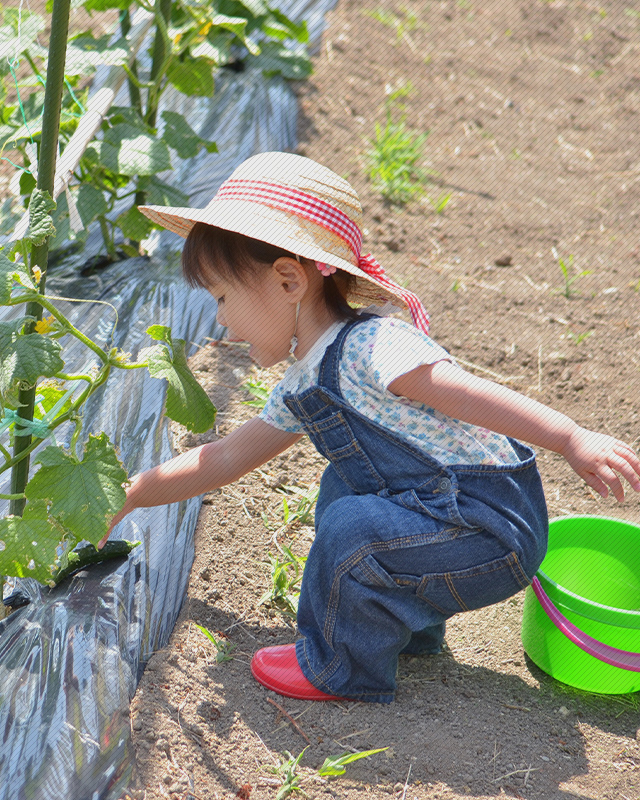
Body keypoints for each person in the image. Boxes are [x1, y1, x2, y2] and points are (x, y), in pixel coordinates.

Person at [99, 152, 640, 704]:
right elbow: (223, 459)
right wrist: (132, 495)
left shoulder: (376, 347)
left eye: (221, 296)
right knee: (343, 490)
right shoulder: (302, 383)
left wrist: (572, 438)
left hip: (489, 530)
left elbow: (476, 396)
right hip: (443, 523)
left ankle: (341, 669)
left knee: (354, 527)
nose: (220, 319)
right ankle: (406, 631)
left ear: (288, 280)